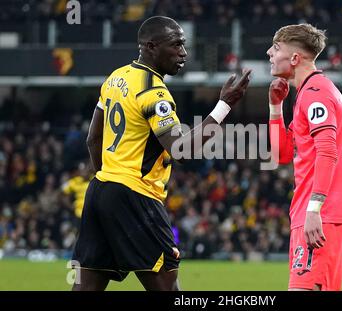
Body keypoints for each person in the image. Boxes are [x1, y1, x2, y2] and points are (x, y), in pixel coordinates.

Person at [71, 16, 251, 291]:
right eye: (176, 45)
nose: (183, 53)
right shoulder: (154, 92)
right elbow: (181, 149)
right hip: (135, 195)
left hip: (100, 190)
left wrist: (107, 181)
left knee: (86, 286)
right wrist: (223, 106)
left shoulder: (115, 78)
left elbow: (93, 139)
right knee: (168, 286)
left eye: (184, 45)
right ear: (151, 46)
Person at [267, 24, 342, 291]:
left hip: (319, 214)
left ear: (295, 58)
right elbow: (280, 155)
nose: (269, 53)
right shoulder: (306, 94)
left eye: (276, 47)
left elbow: (328, 151)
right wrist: (275, 107)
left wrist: (314, 209)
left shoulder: (318, 93)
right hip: (310, 213)